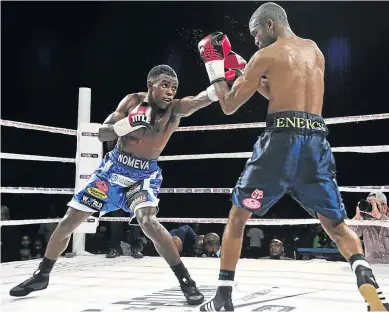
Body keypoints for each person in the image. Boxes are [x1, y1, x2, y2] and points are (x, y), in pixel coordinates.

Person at [198, 2, 388, 311]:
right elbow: (280, 93)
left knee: (238, 216)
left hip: (281, 141)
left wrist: (215, 67)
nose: (255, 40)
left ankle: (223, 297)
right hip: (315, 140)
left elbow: (229, 105)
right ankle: (365, 276)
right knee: (336, 226)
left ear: (270, 25)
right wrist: (251, 74)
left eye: (256, 32)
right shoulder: (314, 51)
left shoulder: (265, 55)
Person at [9, 64, 242, 305]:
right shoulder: (131, 102)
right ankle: (42, 274)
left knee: (148, 221)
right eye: (164, 85)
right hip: (112, 170)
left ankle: (186, 282)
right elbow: (102, 133)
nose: (170, 92)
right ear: (150, 85)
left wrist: (225, 78)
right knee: (70, 219)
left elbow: (203, 98)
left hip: (144, 175)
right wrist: (128, 124)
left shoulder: (175, 109)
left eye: (174, 87)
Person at [350, 192, 389, 264]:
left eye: (374, 205)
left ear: (384, 208)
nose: (371, 208)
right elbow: (347, 237)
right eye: (369, 205)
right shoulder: (364, 222)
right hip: (374, 269)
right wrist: (357, 217)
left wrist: (380, 217)